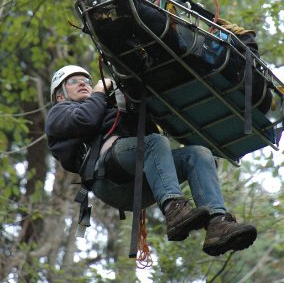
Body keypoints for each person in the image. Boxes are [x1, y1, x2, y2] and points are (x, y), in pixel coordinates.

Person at [44, 65, 257, 256]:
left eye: (87, 80)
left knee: (199, 154)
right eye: (73, 81)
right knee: (154, 143)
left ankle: (217, 224)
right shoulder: (59, 113)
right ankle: (175, 211)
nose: (83, 83)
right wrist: (100, 91)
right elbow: (86, 121)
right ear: (60, 95)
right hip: (110, 180)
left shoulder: (109, 108)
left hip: (141, 180)